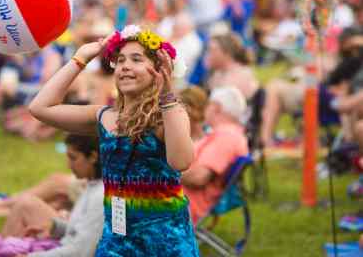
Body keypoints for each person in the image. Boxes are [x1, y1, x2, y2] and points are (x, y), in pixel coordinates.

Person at [29, 25, 199, 256]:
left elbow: (181, 162)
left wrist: (167, 95)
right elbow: (40, 108)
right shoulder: (104, 116)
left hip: (163, 242)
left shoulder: (169, 114)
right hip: (115, 241)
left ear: (159, 69)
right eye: (120, 60)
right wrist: (81, 58)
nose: (125, 66)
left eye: (136, 59)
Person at [0, 133, 104, 257]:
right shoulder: (93, 185)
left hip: (69, 251)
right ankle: (1, 248)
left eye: (73, 158)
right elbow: (83, 233)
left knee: (26, 205)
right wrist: (55, 228)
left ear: (93, 157)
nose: (68, 165)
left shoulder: (99, 196)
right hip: (65, 245)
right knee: (25, 203)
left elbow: (79, 252)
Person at [181, 86, 249, 224]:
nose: (205, 109)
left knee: (127, 195)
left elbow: (198, 178)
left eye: (208, 105)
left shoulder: (226, 137)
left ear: (216, 107)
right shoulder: (227, 134)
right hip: (180, 196)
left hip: (182, 203)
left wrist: (161, 174)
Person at [205, 32, 259, 101]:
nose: (208, 55)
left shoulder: (240, 74)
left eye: (212, 50)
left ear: (227, 53)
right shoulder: (218, 73)